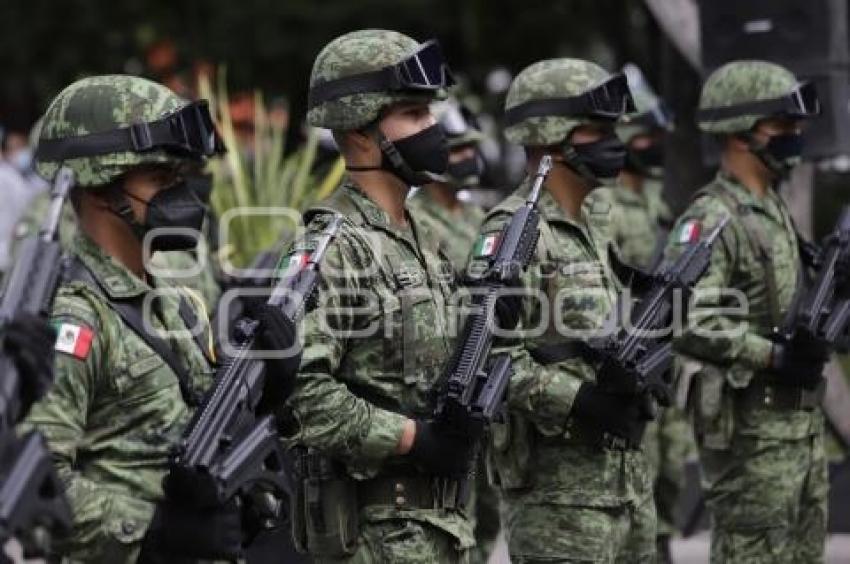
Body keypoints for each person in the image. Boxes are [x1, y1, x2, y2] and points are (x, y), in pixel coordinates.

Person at [267, 29, 476, 563]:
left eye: (429, 114)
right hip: (376, 538)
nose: (433, 129)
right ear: (360, 132)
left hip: (446, 530)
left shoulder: (419, 234)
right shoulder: (331, 247)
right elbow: (302, 393)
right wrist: (412, 438)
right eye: (412, 115)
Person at [21, 74, 243, 562]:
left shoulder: (177, 302)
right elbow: (37, 479)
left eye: (180, 177)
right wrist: (152, 531)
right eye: (161, 179)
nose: (183, 194)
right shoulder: (74, 317)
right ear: (102, 189)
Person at [470, 58, 656, 562]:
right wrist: (581, 400)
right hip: (559, 501)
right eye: (598, 130)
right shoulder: (514, 231)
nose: (614, 141)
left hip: (626, 486)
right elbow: (487, 359)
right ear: (551, 135)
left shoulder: (593, 223)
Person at [665, 60, 826, 562]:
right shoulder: (712, 217)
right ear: (738, 134)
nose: (794, 136)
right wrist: (773, 357)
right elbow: (684, 316)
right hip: (751, 442)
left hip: (800, 433)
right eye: (780, 126)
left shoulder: (773, 207)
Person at [610, 67, 695, 561]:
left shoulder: (654, 200)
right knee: (644, 460)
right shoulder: (607, 206)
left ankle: (661, 541)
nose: (655, 146)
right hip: (629, 349)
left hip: (663, 348)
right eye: (646, 138)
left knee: (672, 465)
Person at [408, 98, 487, 270]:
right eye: (457, 150)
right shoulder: (413, 220)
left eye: (471, 146)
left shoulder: (475, 213)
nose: (469, 155)